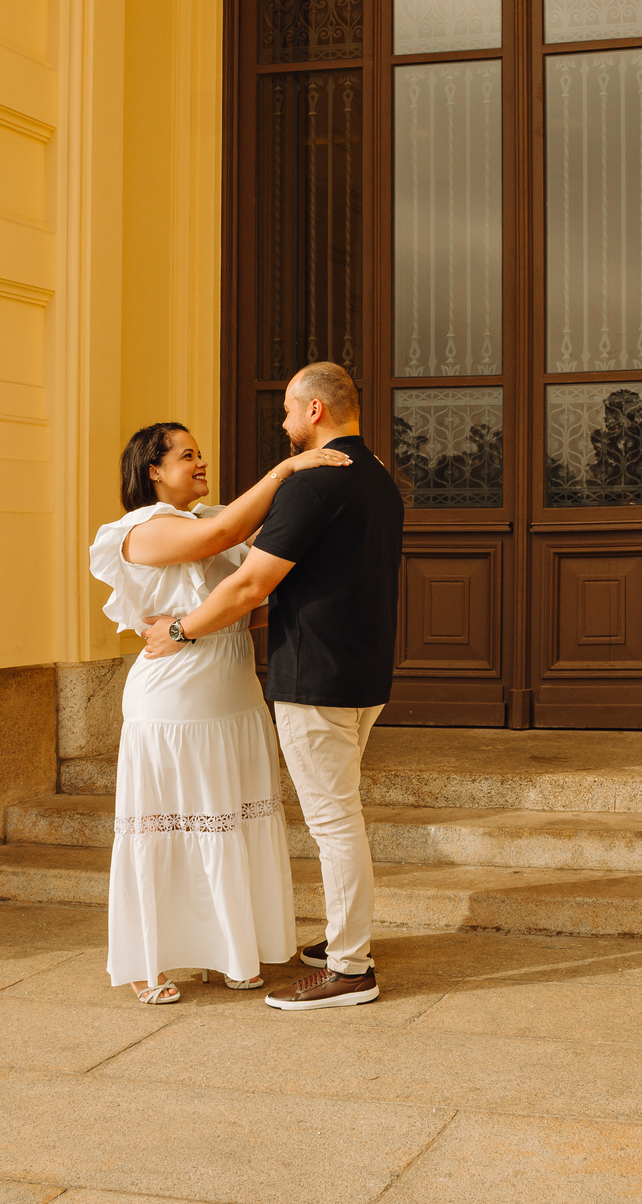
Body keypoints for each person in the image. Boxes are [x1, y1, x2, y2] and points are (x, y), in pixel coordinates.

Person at [142, 362, 404, 1011]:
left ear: (314, 411)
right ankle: (344, 944)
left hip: (316, 678)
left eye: (288, 410)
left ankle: (350, 967)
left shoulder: (313, 485)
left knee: (335, 823)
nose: (283, 423)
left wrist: (177, 631)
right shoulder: (379, 480)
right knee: (340, 816)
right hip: (364, 673)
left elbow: (250, 584)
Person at [90, 421, 351, 1004]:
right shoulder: (137, 531)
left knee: (230, 820)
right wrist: (287, 469)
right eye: (187, 456)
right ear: (153, 470)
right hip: (174, 700)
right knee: (170, 826)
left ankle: (230, 950)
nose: (200, 463)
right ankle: (146, 961)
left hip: (233, 693)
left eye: (201, 453)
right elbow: (230, 529)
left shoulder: (209, 520)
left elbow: (247, 594)